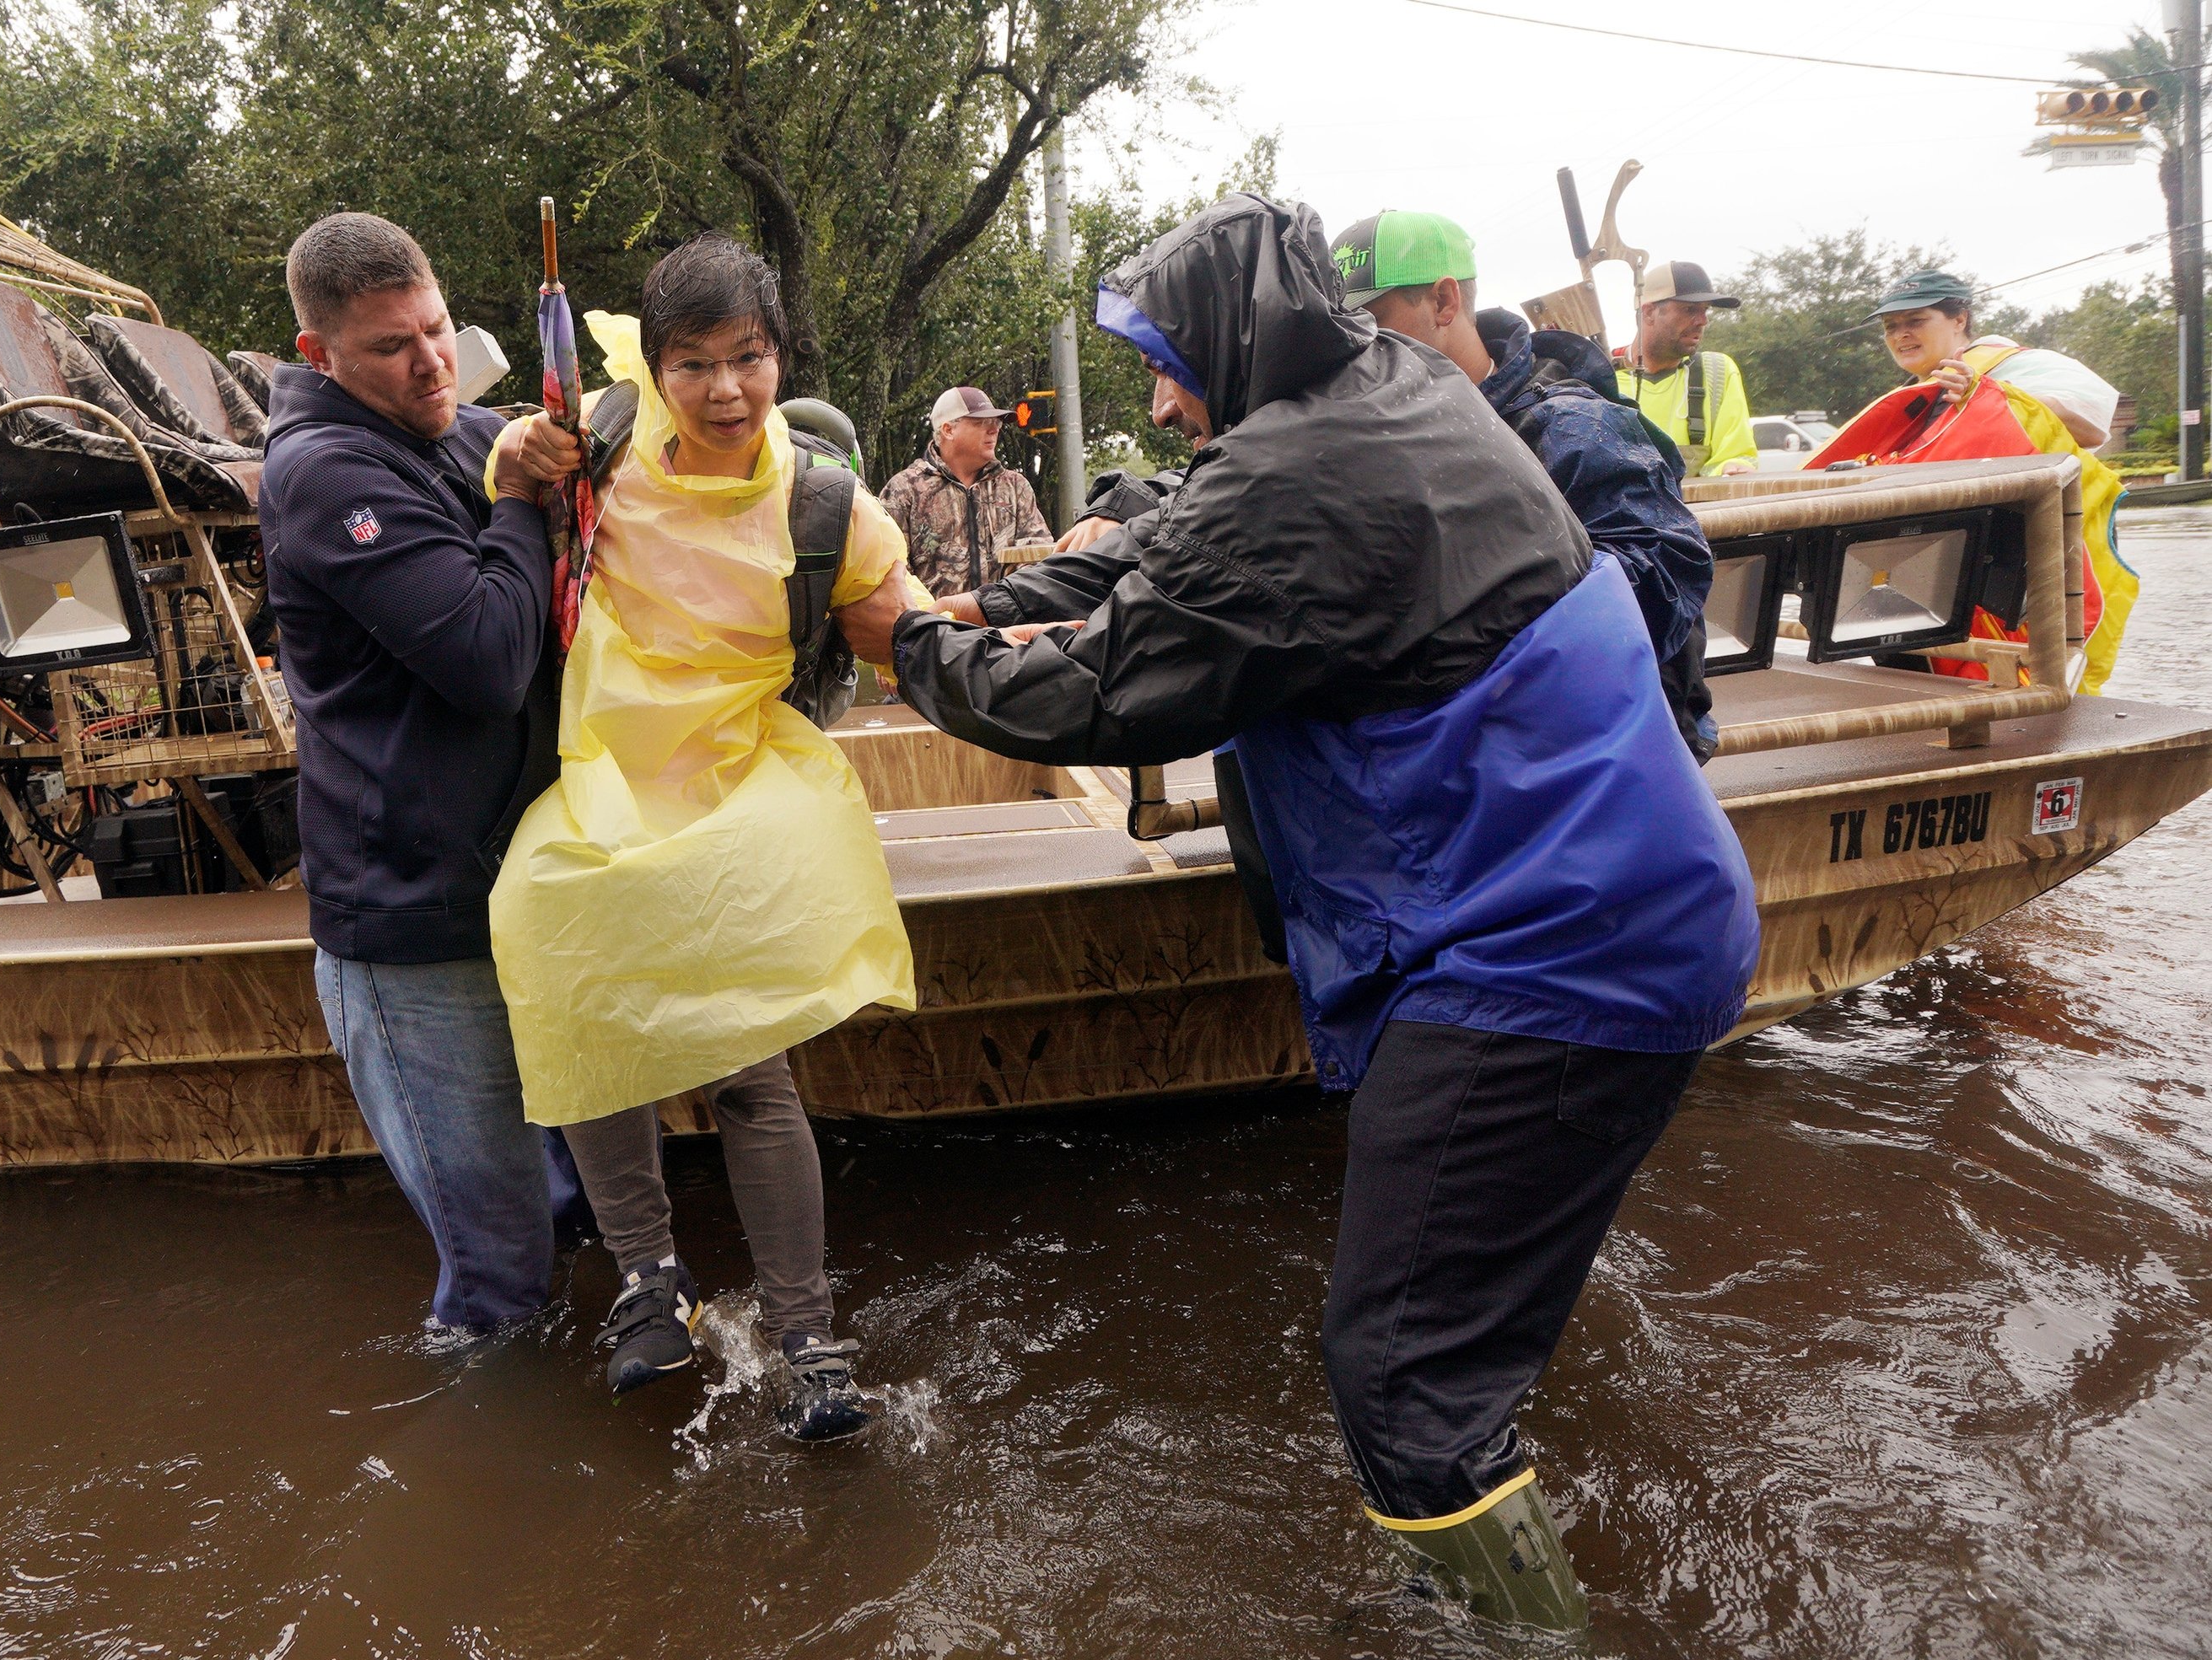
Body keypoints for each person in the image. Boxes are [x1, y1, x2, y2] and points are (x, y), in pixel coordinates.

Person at [846, 195, 1758, 1630]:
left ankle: (1528, 1627)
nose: (1156, 390)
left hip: (1546, 953)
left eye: (1165, 356)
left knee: (1396, 1368)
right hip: (1625, 903)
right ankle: (1472, 1560)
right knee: (1454, 1350)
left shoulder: (1304, 474)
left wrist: (905, 646)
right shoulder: (1391, 392)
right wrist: (1006, 596)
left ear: (1233, 336)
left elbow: (1090, 693)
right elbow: (1171, 537)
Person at [487, 234, 930, 1442]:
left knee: (749, 1059)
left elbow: (905, 630)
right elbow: (509, 464)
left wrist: (1020, 649)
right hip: (598, 772)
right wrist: (513, 449)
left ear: (779, 355)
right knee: (567, 958)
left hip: (742, 775)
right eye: (694, 363)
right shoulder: (598, 436)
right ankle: (648, 1280)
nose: (726, 389)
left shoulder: (828, 498)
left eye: (750, 358)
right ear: (661, 366)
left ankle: (806, 1330)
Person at [260, 212, 588, 1335]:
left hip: (519, 891)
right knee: (497, 1275)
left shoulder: (459, 427)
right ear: (321, 355)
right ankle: (482, 1475)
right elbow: (490, 661)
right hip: (415, 931)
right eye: (393, 348)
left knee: (569, 1212)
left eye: (439, 329)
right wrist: (512, 496)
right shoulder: (323, 472)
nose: (431, 363)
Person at [1329, 209, 1715, 760]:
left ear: (1444, 301)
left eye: (1369, 320)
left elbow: (1665, 582)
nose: (1356, 346)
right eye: (1342, 329)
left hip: (1603, 763)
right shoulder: (1378, 435)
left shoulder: (1571, 428)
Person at [1869, 268, 2120, 450]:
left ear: (1959, 320)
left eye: (1916, 320)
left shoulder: (2017, 364)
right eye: (1890, 326)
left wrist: (1990, 398)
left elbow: (2092, 431)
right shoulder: (1904, 401)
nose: (1901, 335)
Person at [879, 385, 1053, 597]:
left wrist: (1004, 607)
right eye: (981, 423)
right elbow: (890, 575)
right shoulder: (904, 490)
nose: (994, 430)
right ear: (948, 430)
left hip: (1005, 626)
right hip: (934, 626)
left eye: (996, 423)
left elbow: (1039, 559)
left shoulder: (1015, 487)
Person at [1614, 260, 1757, 476]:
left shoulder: (1717, 372)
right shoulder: (1601, 376)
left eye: (1705, 310)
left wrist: (1733, 467)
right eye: (1690, 309)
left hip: (1704, 511)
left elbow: (1735, 456)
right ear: (1649, 313)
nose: (1703, 321)